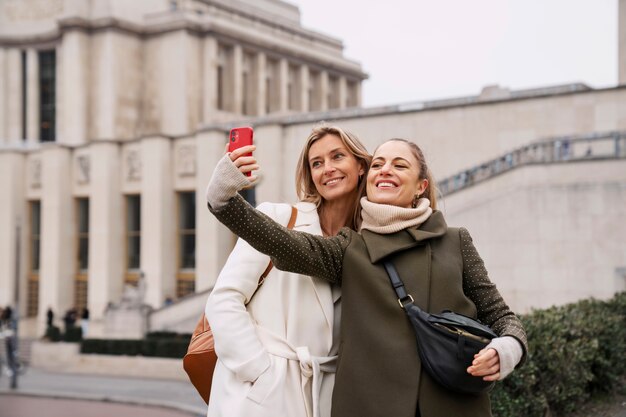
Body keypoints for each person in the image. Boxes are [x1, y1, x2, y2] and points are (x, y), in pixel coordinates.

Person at [206, 138, 528, 417]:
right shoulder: (350, 248)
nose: (385, 170)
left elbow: (502, 318)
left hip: (453, 406)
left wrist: (506, 351)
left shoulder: (455, 240)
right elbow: (283, 243)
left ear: (421, 186)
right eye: (378, 165)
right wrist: (224, 199)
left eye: (400, 165)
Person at [205, 126, 371, 417]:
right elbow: (224, 299)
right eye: (316, 163)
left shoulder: (368, 244)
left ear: (360, 166)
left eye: (337, 157)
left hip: (327, 397)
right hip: (260, 394)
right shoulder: (279, 218)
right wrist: (259, 371)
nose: (327, 169)